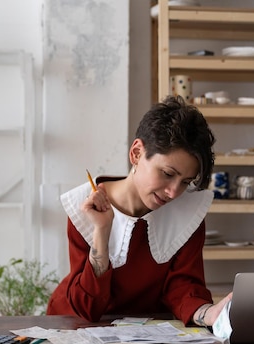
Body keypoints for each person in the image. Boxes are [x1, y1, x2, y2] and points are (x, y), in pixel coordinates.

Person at [46, 95, 232, 327]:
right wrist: (102, 232)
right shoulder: (85, 205)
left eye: (185, 181)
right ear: (136, 153)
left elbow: (183, 286)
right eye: (167, 173)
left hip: (147, 330)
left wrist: (208, 313)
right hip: (75, 325)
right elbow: (87, 307)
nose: (174, 192)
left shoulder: (187, 212)